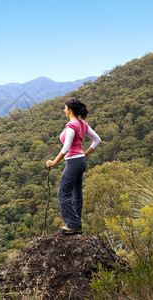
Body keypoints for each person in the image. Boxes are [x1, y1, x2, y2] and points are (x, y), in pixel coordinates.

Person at [46, 98, 101, 235]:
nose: (64, 110)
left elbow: (66, 147)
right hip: (81, 161)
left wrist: (54, 162)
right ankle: (76, 224)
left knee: (63, 192)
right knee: (77, 193)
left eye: (65, 108)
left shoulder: (71, 126)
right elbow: (97, 140)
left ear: (70, 110)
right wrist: (85, 153)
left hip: (73, 162)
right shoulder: (83, 124)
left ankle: (73, 224)